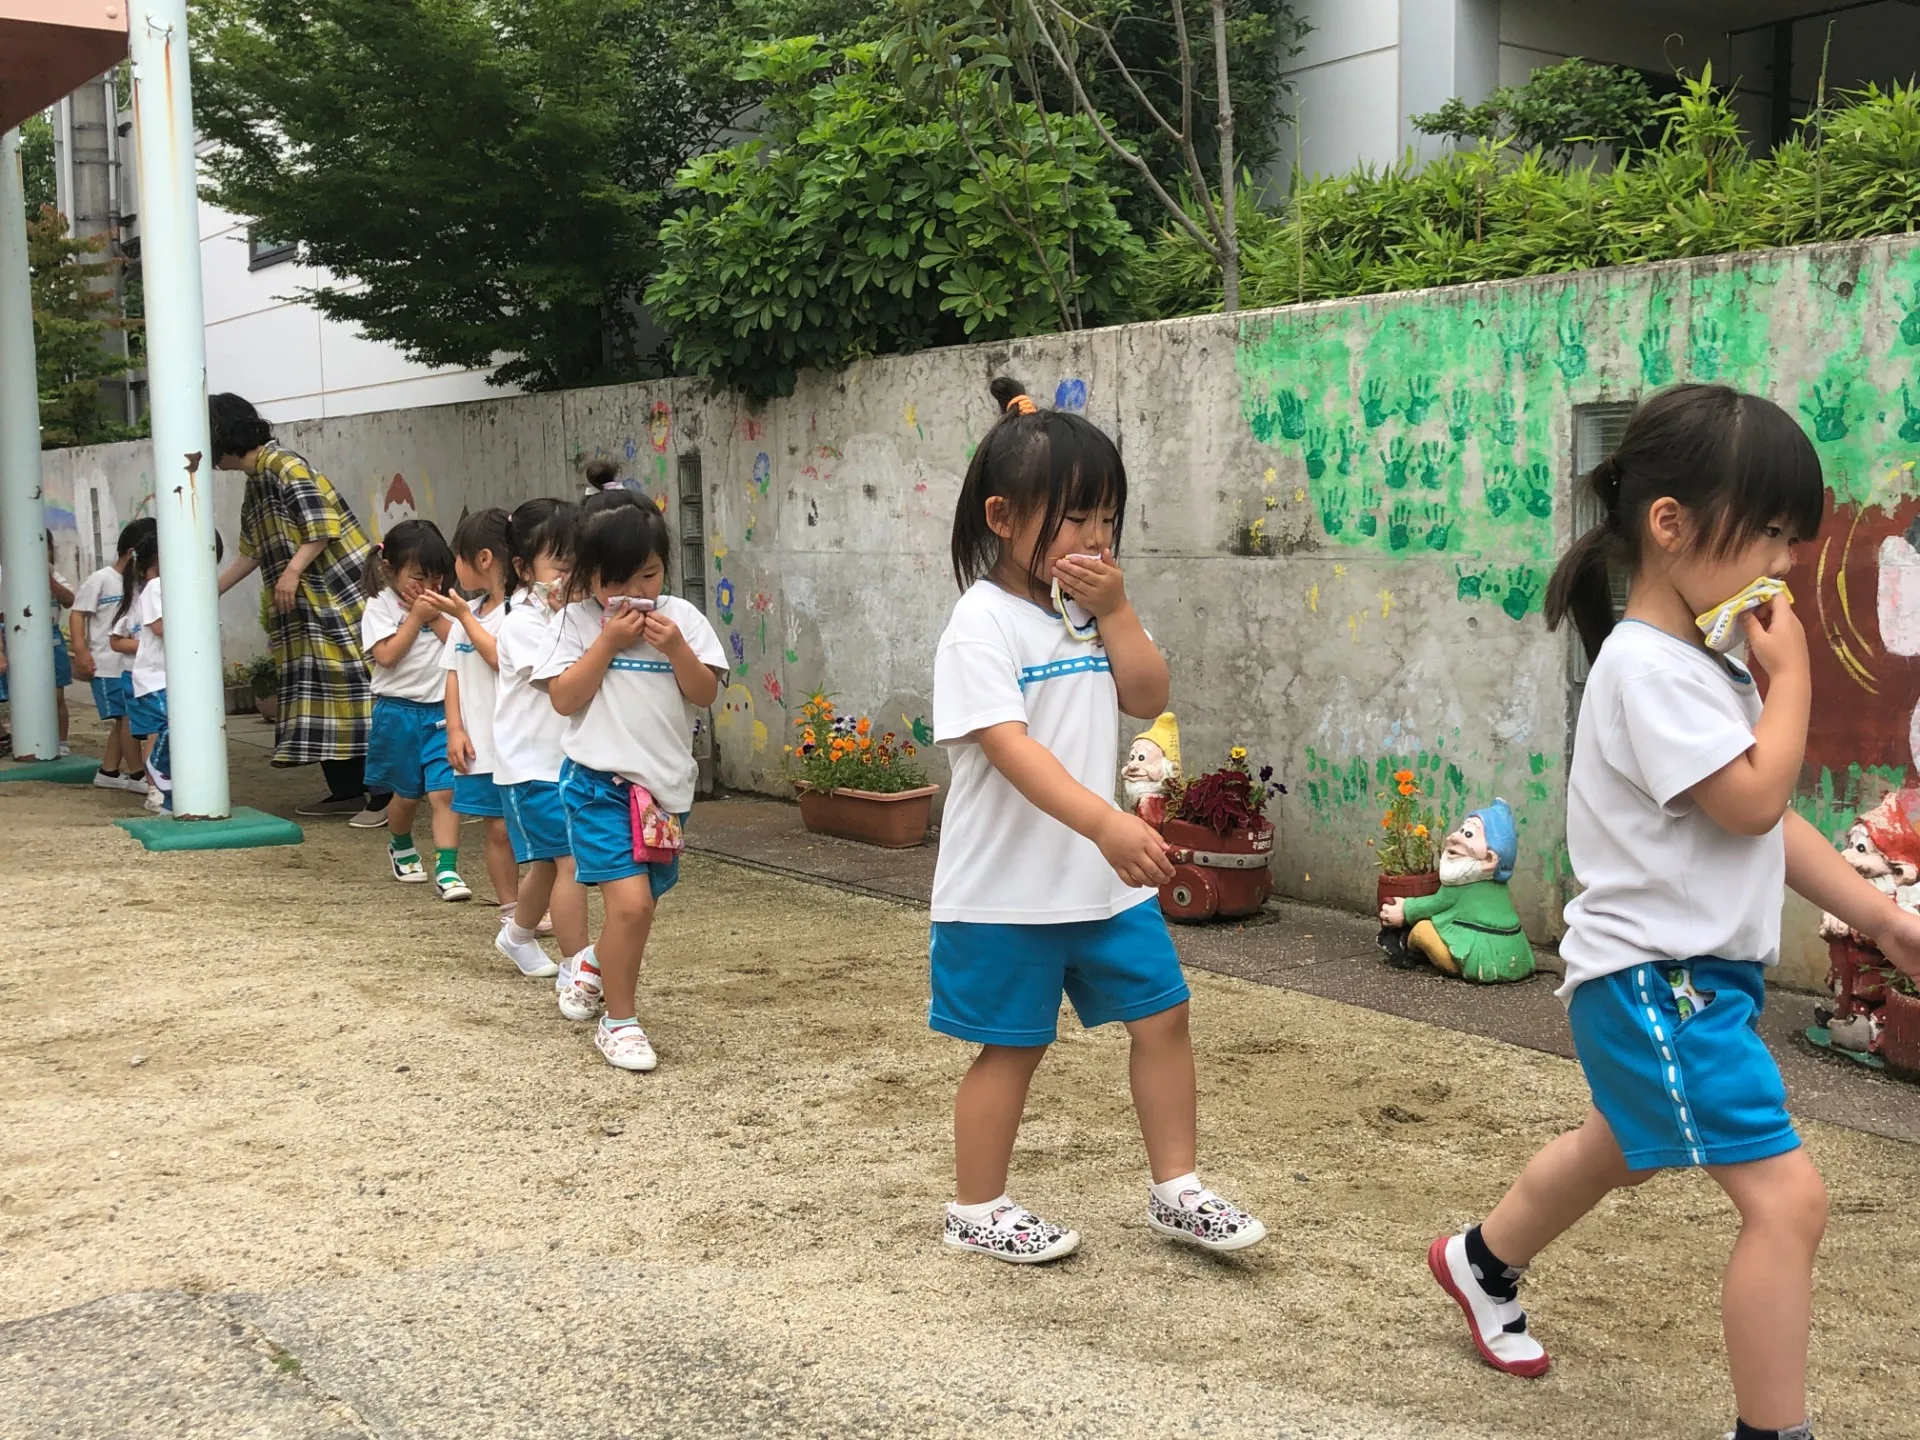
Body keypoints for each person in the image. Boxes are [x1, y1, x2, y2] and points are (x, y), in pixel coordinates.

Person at [1428, 385, 1920, 1440]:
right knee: (1789, 1202)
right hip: (1665, 984)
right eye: (1774, 537)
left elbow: (1759, 820)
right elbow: (1753, 800)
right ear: (1672, 526)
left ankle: (1479, 1260)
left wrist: (1879, 917)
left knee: (1625, 1140)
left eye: (1796, 538)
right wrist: (1792, 689)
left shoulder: (1696, 665)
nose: (1785, 566)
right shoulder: (1652, 670)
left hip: (1677, 981)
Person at [928, 377, 1266, 1264]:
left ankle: (1177, 1191)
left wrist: (1116, 609)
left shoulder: (1085, 612)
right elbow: (1012, 749)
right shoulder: (979, 626)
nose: (1096, 538)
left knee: (1165, 1017)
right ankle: (978, 1207)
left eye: (1108, 518)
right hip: (1006, 891)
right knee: (1012, 1049)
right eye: (1075, 519)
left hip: (1101, 887)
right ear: (1003, 517)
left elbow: (1148, 695)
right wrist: (1107, 824)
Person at [537, 499, 725, 1072]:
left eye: (648, 574)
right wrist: (607, 644)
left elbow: (705, 694)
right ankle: (620, 1022)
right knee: (632, 906)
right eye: (616, 580)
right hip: (598, 786)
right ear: (588, 576)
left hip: (665, 794)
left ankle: (593, 963)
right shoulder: (573, 623)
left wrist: (674, 648)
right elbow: (565, 699)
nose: (634, 592)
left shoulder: (683, 619)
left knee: (643, 904)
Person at [210, 393, 387, 825]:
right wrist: (207, 594)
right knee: (322, 694)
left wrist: (290, 574)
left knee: (357, 689)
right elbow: (251, 551)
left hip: (340, 598)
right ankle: (345, 790)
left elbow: (322, 526)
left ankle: (382, 795)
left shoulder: (284, 465)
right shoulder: (257, 480)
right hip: (309, 609)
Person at [493, 499, 592, 988]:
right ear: (522, 568)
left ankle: (517, 934)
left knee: (551, 866)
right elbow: (560, 683)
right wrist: (566, 621)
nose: (569, 576)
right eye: (559, 565)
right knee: (570, 860)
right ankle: (578, 966)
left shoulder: (577, 615)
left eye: (579, 564)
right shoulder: (522, 623)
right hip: (531, 765)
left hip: (567, 763)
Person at [359, 520, 467, 900]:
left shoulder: (446, 604)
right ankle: (401, 842)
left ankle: (448, 869)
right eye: (420, 577)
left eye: (438, 577)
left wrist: (435, 614)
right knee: (406, 795)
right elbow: (386, 656)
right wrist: (416, 618)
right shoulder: (380, 606)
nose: (430, 587)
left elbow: (459, 645)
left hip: (441, 713)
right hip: (397, 713)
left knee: (445, 793)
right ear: (390, 570)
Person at [436, 508, 519, 929]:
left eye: (458, 557)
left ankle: (534, 906)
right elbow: (453, 674)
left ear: (483, 559)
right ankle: (512, 911)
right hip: (479, 749)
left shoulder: (518, 614)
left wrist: (464, 618)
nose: (454, 568)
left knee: (526, 833)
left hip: (516, 747)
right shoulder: (466, 615)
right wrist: (454, 728)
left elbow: (498, 660)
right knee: (497, 830)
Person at [70, 518, 156, 791]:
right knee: (126, 720)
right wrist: (81, 651)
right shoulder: (101, 579)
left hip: (131, 665)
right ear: (134, 553)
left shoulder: (141, 584)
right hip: (107, 665)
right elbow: (77, 613)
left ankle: (108, 770)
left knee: (123, 720)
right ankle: (136, 774)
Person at [0, 536, 77, 756]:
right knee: (22, 692)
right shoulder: (7, 574)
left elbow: (70, 600)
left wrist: (48, 580)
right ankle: (25, 739)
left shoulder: (52, 573)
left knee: (57, 695)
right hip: (17, 637)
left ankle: (61, 741)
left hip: (51, 638)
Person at [109, 527, 168, 813]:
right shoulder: (156, 587)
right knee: (156, 733)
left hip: (160, 676)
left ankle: (161, 787)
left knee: (162, 733)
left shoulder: (159, 588)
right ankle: (155, 788)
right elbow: (160, 628)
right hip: (155, 679)